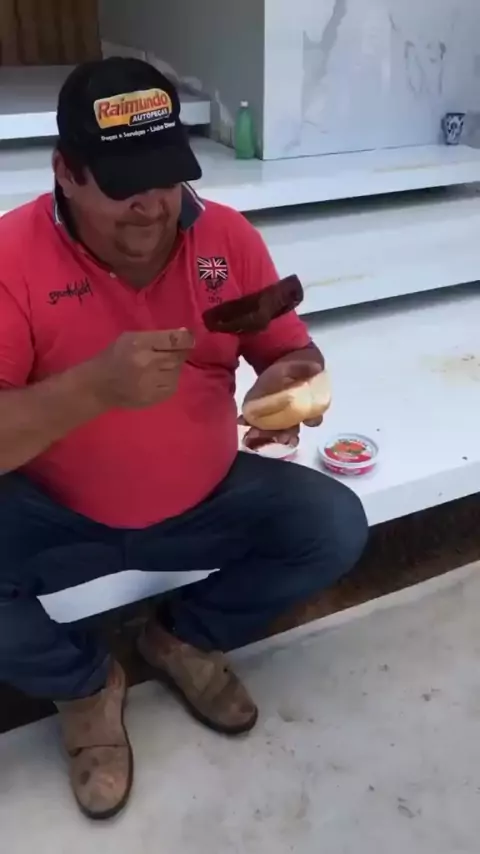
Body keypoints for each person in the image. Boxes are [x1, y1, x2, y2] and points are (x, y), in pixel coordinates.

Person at [0, 57, 368, 819]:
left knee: (331, 526)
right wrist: (93, 388)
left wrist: (292, 379)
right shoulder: (11, 257)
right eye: (124, 184)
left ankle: (182, 638)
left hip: (207, 499)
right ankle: (84, 686)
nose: (151, 207)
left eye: (166, 177)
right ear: (66, 171)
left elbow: (287, 347)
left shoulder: (226, 240)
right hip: (53, 514)